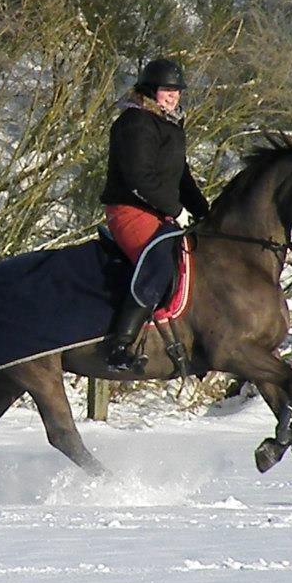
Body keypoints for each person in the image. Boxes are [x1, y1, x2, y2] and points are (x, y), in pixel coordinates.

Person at [99, 58, 209, 371]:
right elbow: (139, 178)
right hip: (129, 209)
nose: (173, 96)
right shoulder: (135, 123)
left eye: (177, 91)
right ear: (151, 90)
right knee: (160, 261)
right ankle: (120, 344)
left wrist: (203, 210)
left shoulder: (170, 124)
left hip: (159, 210)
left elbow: (181, 175)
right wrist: (176, 210)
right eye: (166, 90)